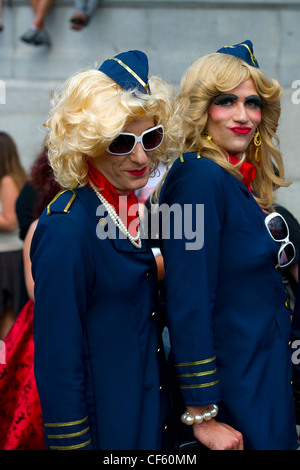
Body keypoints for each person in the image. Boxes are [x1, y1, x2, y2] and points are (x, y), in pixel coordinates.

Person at [30, 50, 175, 450]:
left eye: (151, 137)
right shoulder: (66, 228)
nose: (141, 156)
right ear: (88, 144)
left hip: (151, 423)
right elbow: (59, 361)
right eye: (121, 142)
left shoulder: (127, 212)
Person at [158, 40, 299, 450]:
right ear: (202, 109)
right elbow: (188, 299)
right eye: (226, 101)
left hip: (261, 377)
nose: (243, 116)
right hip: (229, 394)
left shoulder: (231, 178)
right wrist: (202, 414)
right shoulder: (198, 179)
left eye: (253, 103)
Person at [0, 132, 27, 340]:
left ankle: (4, 365)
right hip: (8, 255)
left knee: (7, 319)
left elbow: (10, 221)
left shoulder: (7, 181)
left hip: (7, 256)